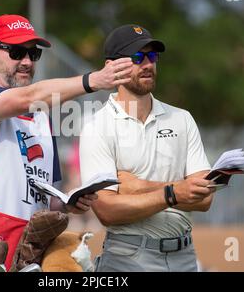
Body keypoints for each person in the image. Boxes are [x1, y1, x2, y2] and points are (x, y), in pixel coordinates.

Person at [0, 14, 133, 272]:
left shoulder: (41, 117)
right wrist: (92, 81)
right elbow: (27, 96)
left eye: (33, 54)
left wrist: (69, 203)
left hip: (22, 254)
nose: (27, 61)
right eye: (16, 52)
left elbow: (47, 197)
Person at [79, 24, 215, 272]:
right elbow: (107, 210)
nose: (148, 64)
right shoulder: (96, 126)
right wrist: (173, 193)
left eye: (152, 56)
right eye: (137, 57)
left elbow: (204, 198)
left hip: (185, 257)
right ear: (111, 66)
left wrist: (138, 187)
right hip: (127, 259)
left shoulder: (182, 118)